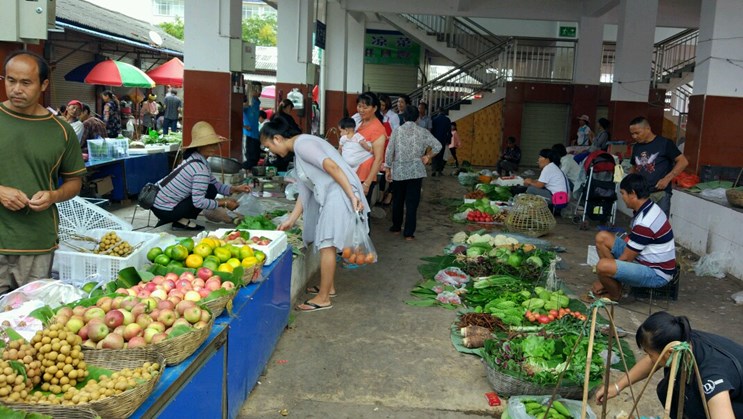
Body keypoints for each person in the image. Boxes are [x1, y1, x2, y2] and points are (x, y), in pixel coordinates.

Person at [0, 50, 87, 295]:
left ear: (44, 84)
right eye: (10, 80)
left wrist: (53, 195)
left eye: (26, 82)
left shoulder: (61, 131)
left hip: (36, 243)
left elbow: (74, 182)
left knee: (30, 318)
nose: (16, 89)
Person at [259, 118, 369, 311]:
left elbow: (331, 167)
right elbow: (305, 192)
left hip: (339, 193)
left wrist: (352, 196)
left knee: (327, 244)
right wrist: (291, 220)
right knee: (326, 243)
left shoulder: (303, 144)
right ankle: (329, 287)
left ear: (277, 138)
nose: (271, 152)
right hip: (334, 194)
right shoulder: (299, 151)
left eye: (269, 146)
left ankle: (324, 298)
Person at [596, 312, 743, 418]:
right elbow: (653, 360)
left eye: (649, 353)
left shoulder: (711, 376)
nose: (648, 358)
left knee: (694, 404)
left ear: (669, 352)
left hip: (736, 403)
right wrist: (617, 386)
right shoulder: (681, 339)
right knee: (668, 389)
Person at [586, 173, 676, 301]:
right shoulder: (647, 207)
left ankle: (614, 295)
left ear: (632, 193)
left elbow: (627, 258)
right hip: (644, 259)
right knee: (602, 237)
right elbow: (632, 240)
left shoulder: (646, 221)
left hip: (656, 273)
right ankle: (614, 285)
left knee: (602, 266)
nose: (622, 197)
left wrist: (604, 277)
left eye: (623, 193)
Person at [151, 121, 251, 231]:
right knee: (210, 191)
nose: (213, 147)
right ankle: (177, 220)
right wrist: (225, 202)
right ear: (199, 147)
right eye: (208, 144)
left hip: (158, 203)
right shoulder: (200, 169)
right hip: (164, 208)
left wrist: (235, 189)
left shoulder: (196, 158)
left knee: (211, 189)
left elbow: (215, 185)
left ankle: (175, 219)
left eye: (214, 143)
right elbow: (198, 202)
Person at [385, 121, 442, 240]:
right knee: (412, 203)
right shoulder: (423, 131)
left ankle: (396, 227)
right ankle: (409, 234)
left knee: (398, 200)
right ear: (416, 119)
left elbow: (389, 151)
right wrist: (427, 156)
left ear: (404, 117)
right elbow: (438, 146)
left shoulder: (397, 131)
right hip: (416, 171)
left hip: (399, 171)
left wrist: (388, 168)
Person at [629, 116, 688, 216]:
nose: (634, 136)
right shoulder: (636, 147)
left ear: (648, 129)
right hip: (641, 194)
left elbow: (683, 162)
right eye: (632, 134)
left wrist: (667, 179)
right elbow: (634, 167)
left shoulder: (664, 143)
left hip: (660, 193)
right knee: (640, 224)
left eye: (637, 133)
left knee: (659, 225)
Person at [353, 92, 387, 206]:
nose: (361, 110)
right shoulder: (359, 122)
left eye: (365, 107)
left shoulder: (377, 129)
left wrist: (367, 183)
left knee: (361, 210)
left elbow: (378, 159)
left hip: (364, 176)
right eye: (359, 106)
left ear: (374, 108)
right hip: (354, 173)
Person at [242, 82, 262, 169]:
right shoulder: (247, 103)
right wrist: (243, 126)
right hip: (249, 135)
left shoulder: (257, 102)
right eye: (258, 90)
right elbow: (234, 113)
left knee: (256, 158)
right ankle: (238, 168)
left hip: (255, 135)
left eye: (260, 90)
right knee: (251, 159)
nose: (260, 92)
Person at [430, 108, 451, 176]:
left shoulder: (434, 119)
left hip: (435, 140)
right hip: (443, 139)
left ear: (438, 111)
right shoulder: (447, 120)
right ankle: (439, 171)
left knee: (434, 154)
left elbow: (432, 130)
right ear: (444, 112)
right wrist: (448, 140)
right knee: (441, 155)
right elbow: (449, 132)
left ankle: (433, 170)